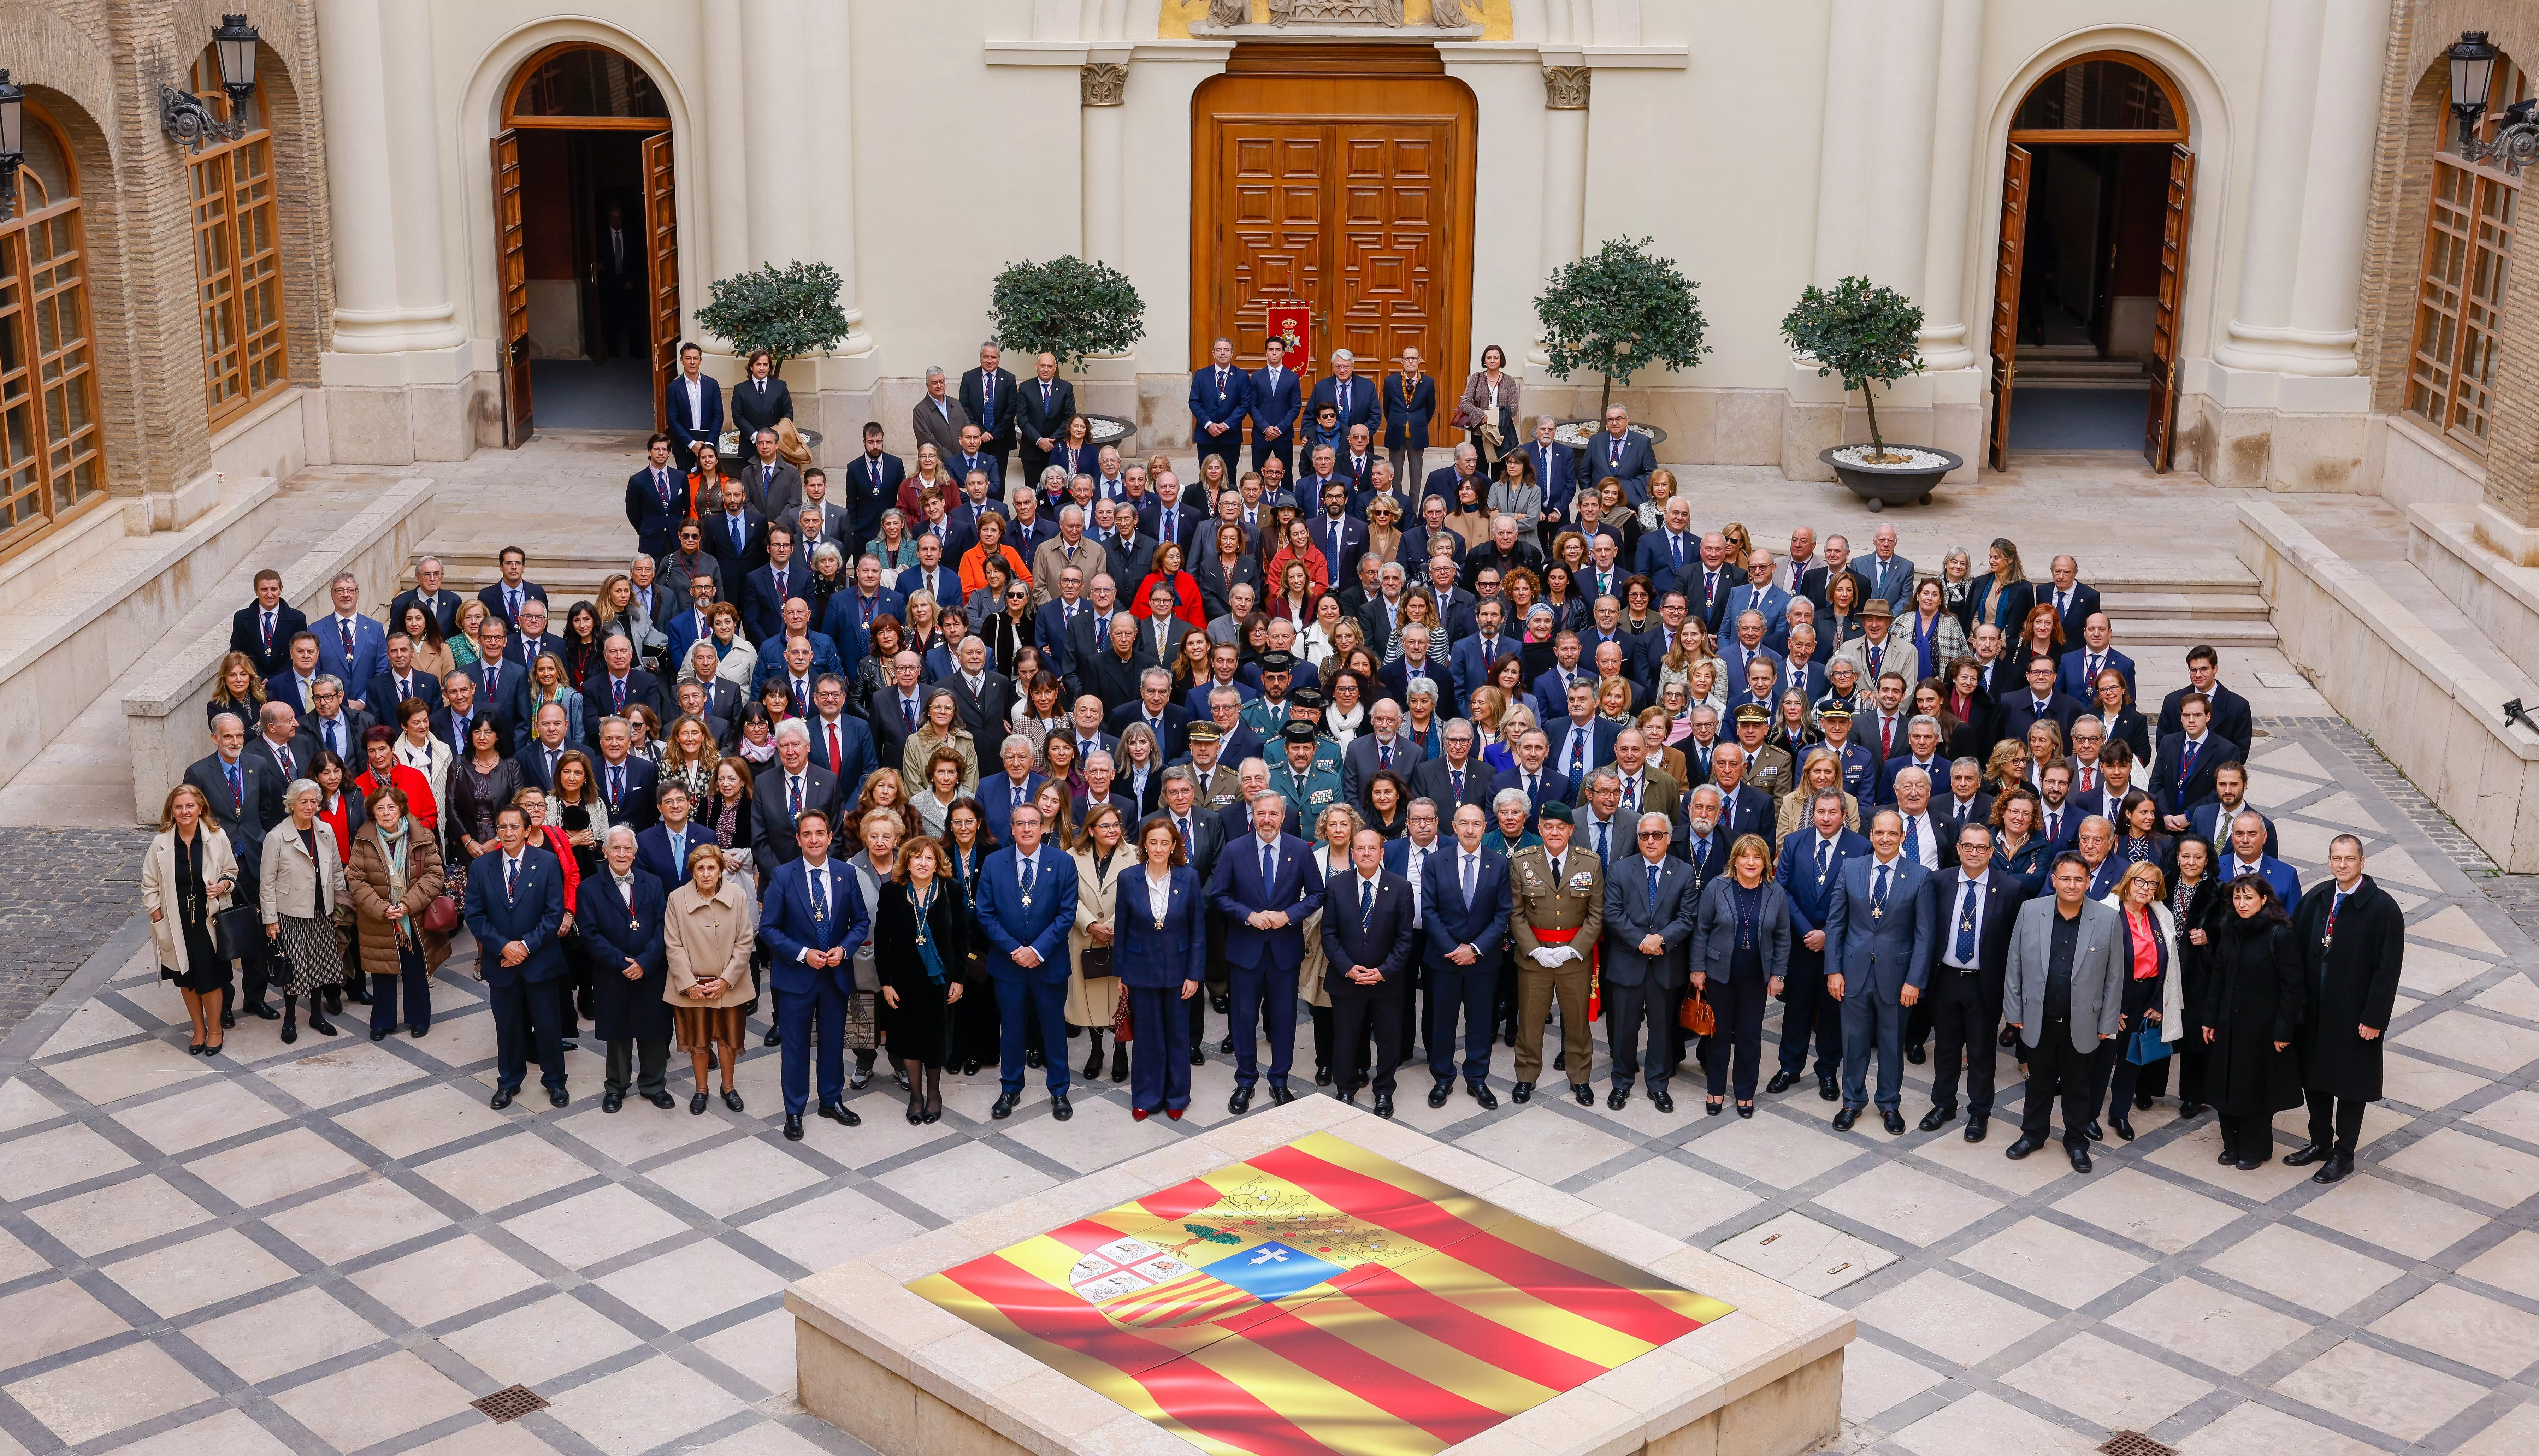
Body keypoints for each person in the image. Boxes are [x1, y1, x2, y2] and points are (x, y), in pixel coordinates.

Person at [2284, 835, 2404, 1184]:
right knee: (2315, 1079)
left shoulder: (2382, 909)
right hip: (2316, 1011)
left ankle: (2343, 1154)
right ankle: (2319, 1142)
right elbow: (2295, 945)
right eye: (2336, 858)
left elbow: (2387, 969)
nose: (2341, 865)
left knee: (2350, 1085)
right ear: (2329, 861)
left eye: (2349, 859)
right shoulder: (2318, 898)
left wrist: (2374, 1017)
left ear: (2361, 862)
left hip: (2354, 1016)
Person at [2003, 853, 2124, 1172]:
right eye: (2065, 878)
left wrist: (2108, 1022)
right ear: (2054, 880)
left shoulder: (2107, 919)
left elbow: (2115, 976)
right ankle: (2033, 1134)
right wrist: (2014, 1010)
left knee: (2077, 1086)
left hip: (2083, 1020)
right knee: (2038, 1082)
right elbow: (2013, 964)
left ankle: (2076, 1142)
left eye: (2078, 879)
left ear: (2088, 882)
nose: (2072, 885)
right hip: (2037, 1017)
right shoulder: (2031, 911)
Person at [758, 808, 872, 1140]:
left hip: (835, 975)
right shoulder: (782, 876)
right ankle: (794, 1111)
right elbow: (768, 929)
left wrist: (845, 949)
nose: (814, 840)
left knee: (834, 1042)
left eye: (819, 833)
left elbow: (861, 922)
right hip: (796, 978)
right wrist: (803, 953)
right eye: (806, 834)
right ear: (798, 839)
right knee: (795, 1047)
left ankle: (831, 1101)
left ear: (829, 836)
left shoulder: (845, 874)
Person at [1209, 791, 1325, 1112]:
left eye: (1273, 814)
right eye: (1260, 813)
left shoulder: (1300, 850)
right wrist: (1248, 915)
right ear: (1252, 816)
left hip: (1284, 952)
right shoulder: (1235, 851)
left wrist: (1289, 915)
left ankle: (1279, 1081)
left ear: (1283, 816)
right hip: (1245, 951)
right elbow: (1219, 896)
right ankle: (1245, 1081)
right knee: (1243, 1020)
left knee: (1285, 1021)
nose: (1266, 820)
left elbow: (1317, 894)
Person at [1825, 808, 1934, 1134]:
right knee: (1854, 1041)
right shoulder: (1850, 868)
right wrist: (1833, 970)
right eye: (1879, 833)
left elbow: (1924, 935)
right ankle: (1852, 1102)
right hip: (1853, 973)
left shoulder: (1919, 875)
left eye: (1892, 833)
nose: (1885, 839)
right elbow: (1835, 923)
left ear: (1902, 838)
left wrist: (1914, 981)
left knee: (1891, 1044)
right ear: (1871, 836)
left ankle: (1889, 1105)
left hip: (1897, 978)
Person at [465, 806, 571, 1108]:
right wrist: (504, 947)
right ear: (496, 832)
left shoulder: (548, 862)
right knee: (508, 1026)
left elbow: (553, 915)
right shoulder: (482, 867)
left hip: (539, 960)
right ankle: (509, 1082)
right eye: (502, 828)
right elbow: (475, 915)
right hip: (501, 963)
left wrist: (523, 947)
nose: (508, 833)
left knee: (548, 1025)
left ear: (527, 831)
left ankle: (554, 1082)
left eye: (515, 827)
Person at [978, 803, 1080, 1119]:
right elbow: (985, 913)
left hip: (1049, 964)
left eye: (1032, 823)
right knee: (1011, 1030)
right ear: (1012, 829)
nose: (1026, 829)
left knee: (1053, 1030)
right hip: (1009, 966)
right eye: (1020, 824)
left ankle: (1060, 1092)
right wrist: (1015, 950)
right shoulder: (995, 863)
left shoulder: (1062, 862)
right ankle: (1010, 1089)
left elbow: (1067, 914)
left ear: (1041, 827)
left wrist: (1036, 951)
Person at [2201, 872, 2305, 1170]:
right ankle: (2231, 1145)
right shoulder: (2230, 928)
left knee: (2255, 1090)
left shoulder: (2280, 935)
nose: (2242, 904)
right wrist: (2210, 1019)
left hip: (2261, 1029)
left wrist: (2283, 1029)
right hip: (2228, 1024)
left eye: (2248, 898)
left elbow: (2292, 988)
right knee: (2225, 1085)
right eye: (2237, 898)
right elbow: (2219, 976)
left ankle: (2255, 1148)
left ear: (2263, 900)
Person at [1505, 800, 1602, 1106]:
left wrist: (1574, 951)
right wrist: (1535, 951)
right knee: (1531, 1022)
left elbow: (1596, 915)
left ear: (1571, 830)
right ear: (1540, 828)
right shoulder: (1522, 861)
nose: (1555, 832)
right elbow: (1515, 913)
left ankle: (1580, 1077)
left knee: (1576, 1023)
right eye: (1549, 827)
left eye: (1562, 827)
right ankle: (1526, 1076)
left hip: (1574, 959)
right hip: (1535, 959)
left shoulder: (1590, 863)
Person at [1604, 812, 1702, 1112]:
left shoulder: (1684, 873)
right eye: (1645, 835)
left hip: (1665, 966)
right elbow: (1612, 913)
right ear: (1638, 838)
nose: (1650, 841)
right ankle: (1621, 1083)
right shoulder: (1620, 869)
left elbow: (1688, 918)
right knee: (1624, 1028)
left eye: (1657, 835)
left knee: (1661, 1030)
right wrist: (1641, 940)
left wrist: (1659, 939)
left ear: (1668, 839)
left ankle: (1658, 1085)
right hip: (1627, 965)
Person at [875, 833, 973, 1125]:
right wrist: (886, 982)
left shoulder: (951, 890)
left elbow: (962, 937)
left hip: (940, 979)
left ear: (937, 864)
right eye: (917, 856)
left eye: (929, 858)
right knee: (908, 1037)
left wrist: (959, 979)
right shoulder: (892, 892)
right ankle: (916, 1097)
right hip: (903, 979)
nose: (923, 862)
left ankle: (934, 1095)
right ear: (906, 860)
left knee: (934, 1037)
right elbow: (882, 939)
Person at [1114, 814, 1207, 1119]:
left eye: (1164, 843)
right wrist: (1122, 974)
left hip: (1179, 971)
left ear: (1174, 846)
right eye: (1152, 842)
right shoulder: (1128, 878)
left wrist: (1195, 974)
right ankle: (1146, 1096)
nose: (1158, 848)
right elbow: (1123, 930)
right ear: (1144, 845)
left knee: (1178, 1035)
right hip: (1140, 970)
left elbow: (1197, 930)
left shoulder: (1188, 877)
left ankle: (1177, 1096)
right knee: (1147, 1037)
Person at [1689, 831, 1788, 1117]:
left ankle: (1745, 1093)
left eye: (1757, 857)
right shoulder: (1716, 888)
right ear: (1735, 860)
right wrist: (1697, 968)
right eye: (1745, 856)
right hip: (1719, 976)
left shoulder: (1775, 892)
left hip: (1756, 978)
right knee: (1718, 1038)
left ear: (1765, 862)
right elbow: (1701, 930)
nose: (1751, 862)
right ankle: (1716, 1090)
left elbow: (1783, 937)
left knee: (1749, 1038)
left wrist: (1778, 974)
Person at [1421, 801, 1508, 1109]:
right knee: (1442, 1022)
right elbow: (1429, 911)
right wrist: (1453, 950)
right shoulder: (1435, 861)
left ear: (1485, 829)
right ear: (1454, 827)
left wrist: (1474, 949)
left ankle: (1476, 1079)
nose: (1470, 830)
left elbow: (1503, 914)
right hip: (1443, 960)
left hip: (1483, 961)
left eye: (1476, 824)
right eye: (1464, 824)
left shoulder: (1498, 864)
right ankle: (1442, 1078)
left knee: (1481, 1022)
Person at [143, 783, 239, 1057]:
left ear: (201, 808)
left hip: (209, 920)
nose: (184, 811)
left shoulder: (217, 837)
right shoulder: (161, 842)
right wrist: (157, 915)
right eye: (178, 807)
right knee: (186, 978)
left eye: (190, 806)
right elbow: (149, 885)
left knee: (210, 978)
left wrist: (222, 886)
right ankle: (199, 1029)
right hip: (176, 921)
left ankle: (216, 1030)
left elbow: (232, 871)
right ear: (171, 812)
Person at [346, 785, 447, 1042]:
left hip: (413, 918)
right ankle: (383, 1022)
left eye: (391, 807)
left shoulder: (422, 836)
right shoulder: (363, 839)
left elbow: (435, 875)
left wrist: (408, 904)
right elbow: (356, 880)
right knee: (383, 972)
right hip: (378, 919)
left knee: (416, 970)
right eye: (380, 808)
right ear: (373, 813)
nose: (386, 813)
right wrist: (382, 908)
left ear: (401, 808)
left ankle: (419, 1019)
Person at [664, 845, 756, 1114]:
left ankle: (728, 1087)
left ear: (720, 870)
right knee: (699, 1041)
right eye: (700, 868)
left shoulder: (737, 896)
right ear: (692, 872)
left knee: (728, 1041)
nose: (706, 873)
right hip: (693, 988)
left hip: (729, 986)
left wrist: (727, 980)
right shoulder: (676, 899)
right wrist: (689, 984)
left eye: (711, 868)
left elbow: (745, 941)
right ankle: (701, 1089)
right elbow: (673, 944)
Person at [2096, 859, 2183, 1143]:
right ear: (2128, 882)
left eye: (2153, 883)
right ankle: (2087, 1115)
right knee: (2101, 1060)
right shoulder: (2106, 911)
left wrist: (2159, 1003)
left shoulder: (2160, 914)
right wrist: (2111, 1008)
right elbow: (2095, 966)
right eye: (2140, 881)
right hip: (2116, 998)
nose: (2146, 888)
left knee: (2132, 1060)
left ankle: (2119, 1114)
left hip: (2146, 997)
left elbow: (2170, 964)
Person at [260, 779, 347, 1044]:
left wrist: (339, 909)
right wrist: (270, 919)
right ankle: (289, 1020)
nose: (309, 807)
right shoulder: (276, 837)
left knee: (320, 965)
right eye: (303, 802)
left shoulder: (325, 830)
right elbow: (267, 881)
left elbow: (336, 871)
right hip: (292, 912)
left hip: (321, 910)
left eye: (313, 801)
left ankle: (316, 1016)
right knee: (296, 969)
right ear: (292, 804)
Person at [1067, 803, 1130, 1085]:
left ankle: (1120, 1051)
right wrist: (1091, 925)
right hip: (1085, 938)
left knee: (1120, 999)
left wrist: (1112, 927)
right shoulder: (1070, 857)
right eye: (1104, 826)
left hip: (1120, 938)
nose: (1112, 830)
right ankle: (1096, 1051)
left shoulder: (1136, 856)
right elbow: (1067, 897)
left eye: (1116, 825)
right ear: (1090, 830)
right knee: (1091, 996)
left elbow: (1136, 895)